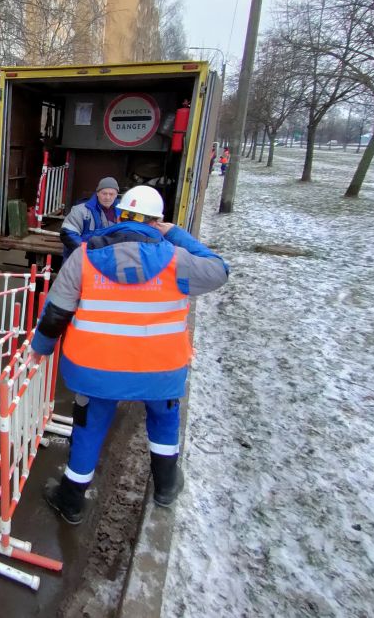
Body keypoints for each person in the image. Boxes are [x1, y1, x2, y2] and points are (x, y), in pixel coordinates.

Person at [30, 185, 228, 524]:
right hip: (161, 370)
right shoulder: (177, 259)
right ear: (157, 222)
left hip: (96, 370)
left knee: (89, 428)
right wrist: (177, 234)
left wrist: (40, 349)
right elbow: (219, 270)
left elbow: (56, 312)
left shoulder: (84, 256)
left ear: (120, 216)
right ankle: (165, 487)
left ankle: (72, 500)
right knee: (164, 420)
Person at [60, 177, 121, 259]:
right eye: (104, 193)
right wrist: (86, 252)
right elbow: (67, 233)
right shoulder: (80, 210)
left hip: (110, 259)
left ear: (116, 195)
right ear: (97, 193)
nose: (107, 197)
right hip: (81, 258)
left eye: (111, 194)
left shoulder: (123, 212)